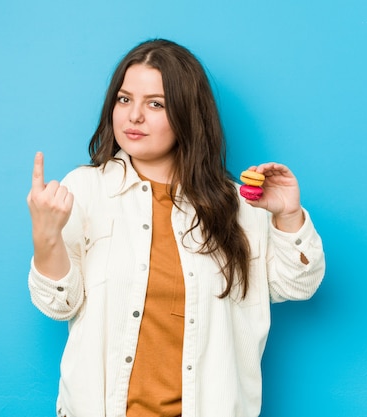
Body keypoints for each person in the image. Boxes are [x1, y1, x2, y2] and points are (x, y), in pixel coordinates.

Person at [27, 39, 325, 417]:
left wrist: (287, 216)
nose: (134, 116)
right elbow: (58, 303)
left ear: (188, 113)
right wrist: (45, 235)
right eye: (124, 99)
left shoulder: (237, 204)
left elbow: (296, 286)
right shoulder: (85, 189)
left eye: (156, 104)